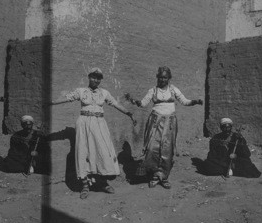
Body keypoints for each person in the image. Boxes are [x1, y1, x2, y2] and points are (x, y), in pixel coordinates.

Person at [50, 67, 136, 199]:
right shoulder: (81, 91)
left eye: (98, 78)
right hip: (84, 123)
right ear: (89, 77)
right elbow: (67, 97)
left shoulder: (105, 93)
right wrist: (51, 102)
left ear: (101, 80)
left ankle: (102, 183)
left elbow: (115, 104)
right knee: (83, 152)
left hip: (99, 123)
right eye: (93, 77)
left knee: (102, 151)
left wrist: (128, 113)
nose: (95, 80)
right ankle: (85, 185)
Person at [127, 66, 202, 189]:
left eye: (165, 77)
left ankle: (163, 177)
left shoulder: (173, 90)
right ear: (157, 77)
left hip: (170, 123)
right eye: (160, 77)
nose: (162, 79)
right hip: (155, 122)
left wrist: (196, 101)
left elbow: (185, 101)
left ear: (169, 78)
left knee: (167, 150)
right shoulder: (153, 91)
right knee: (152, 149)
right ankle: (154, 175)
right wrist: (134, 101)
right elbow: (143, 103)